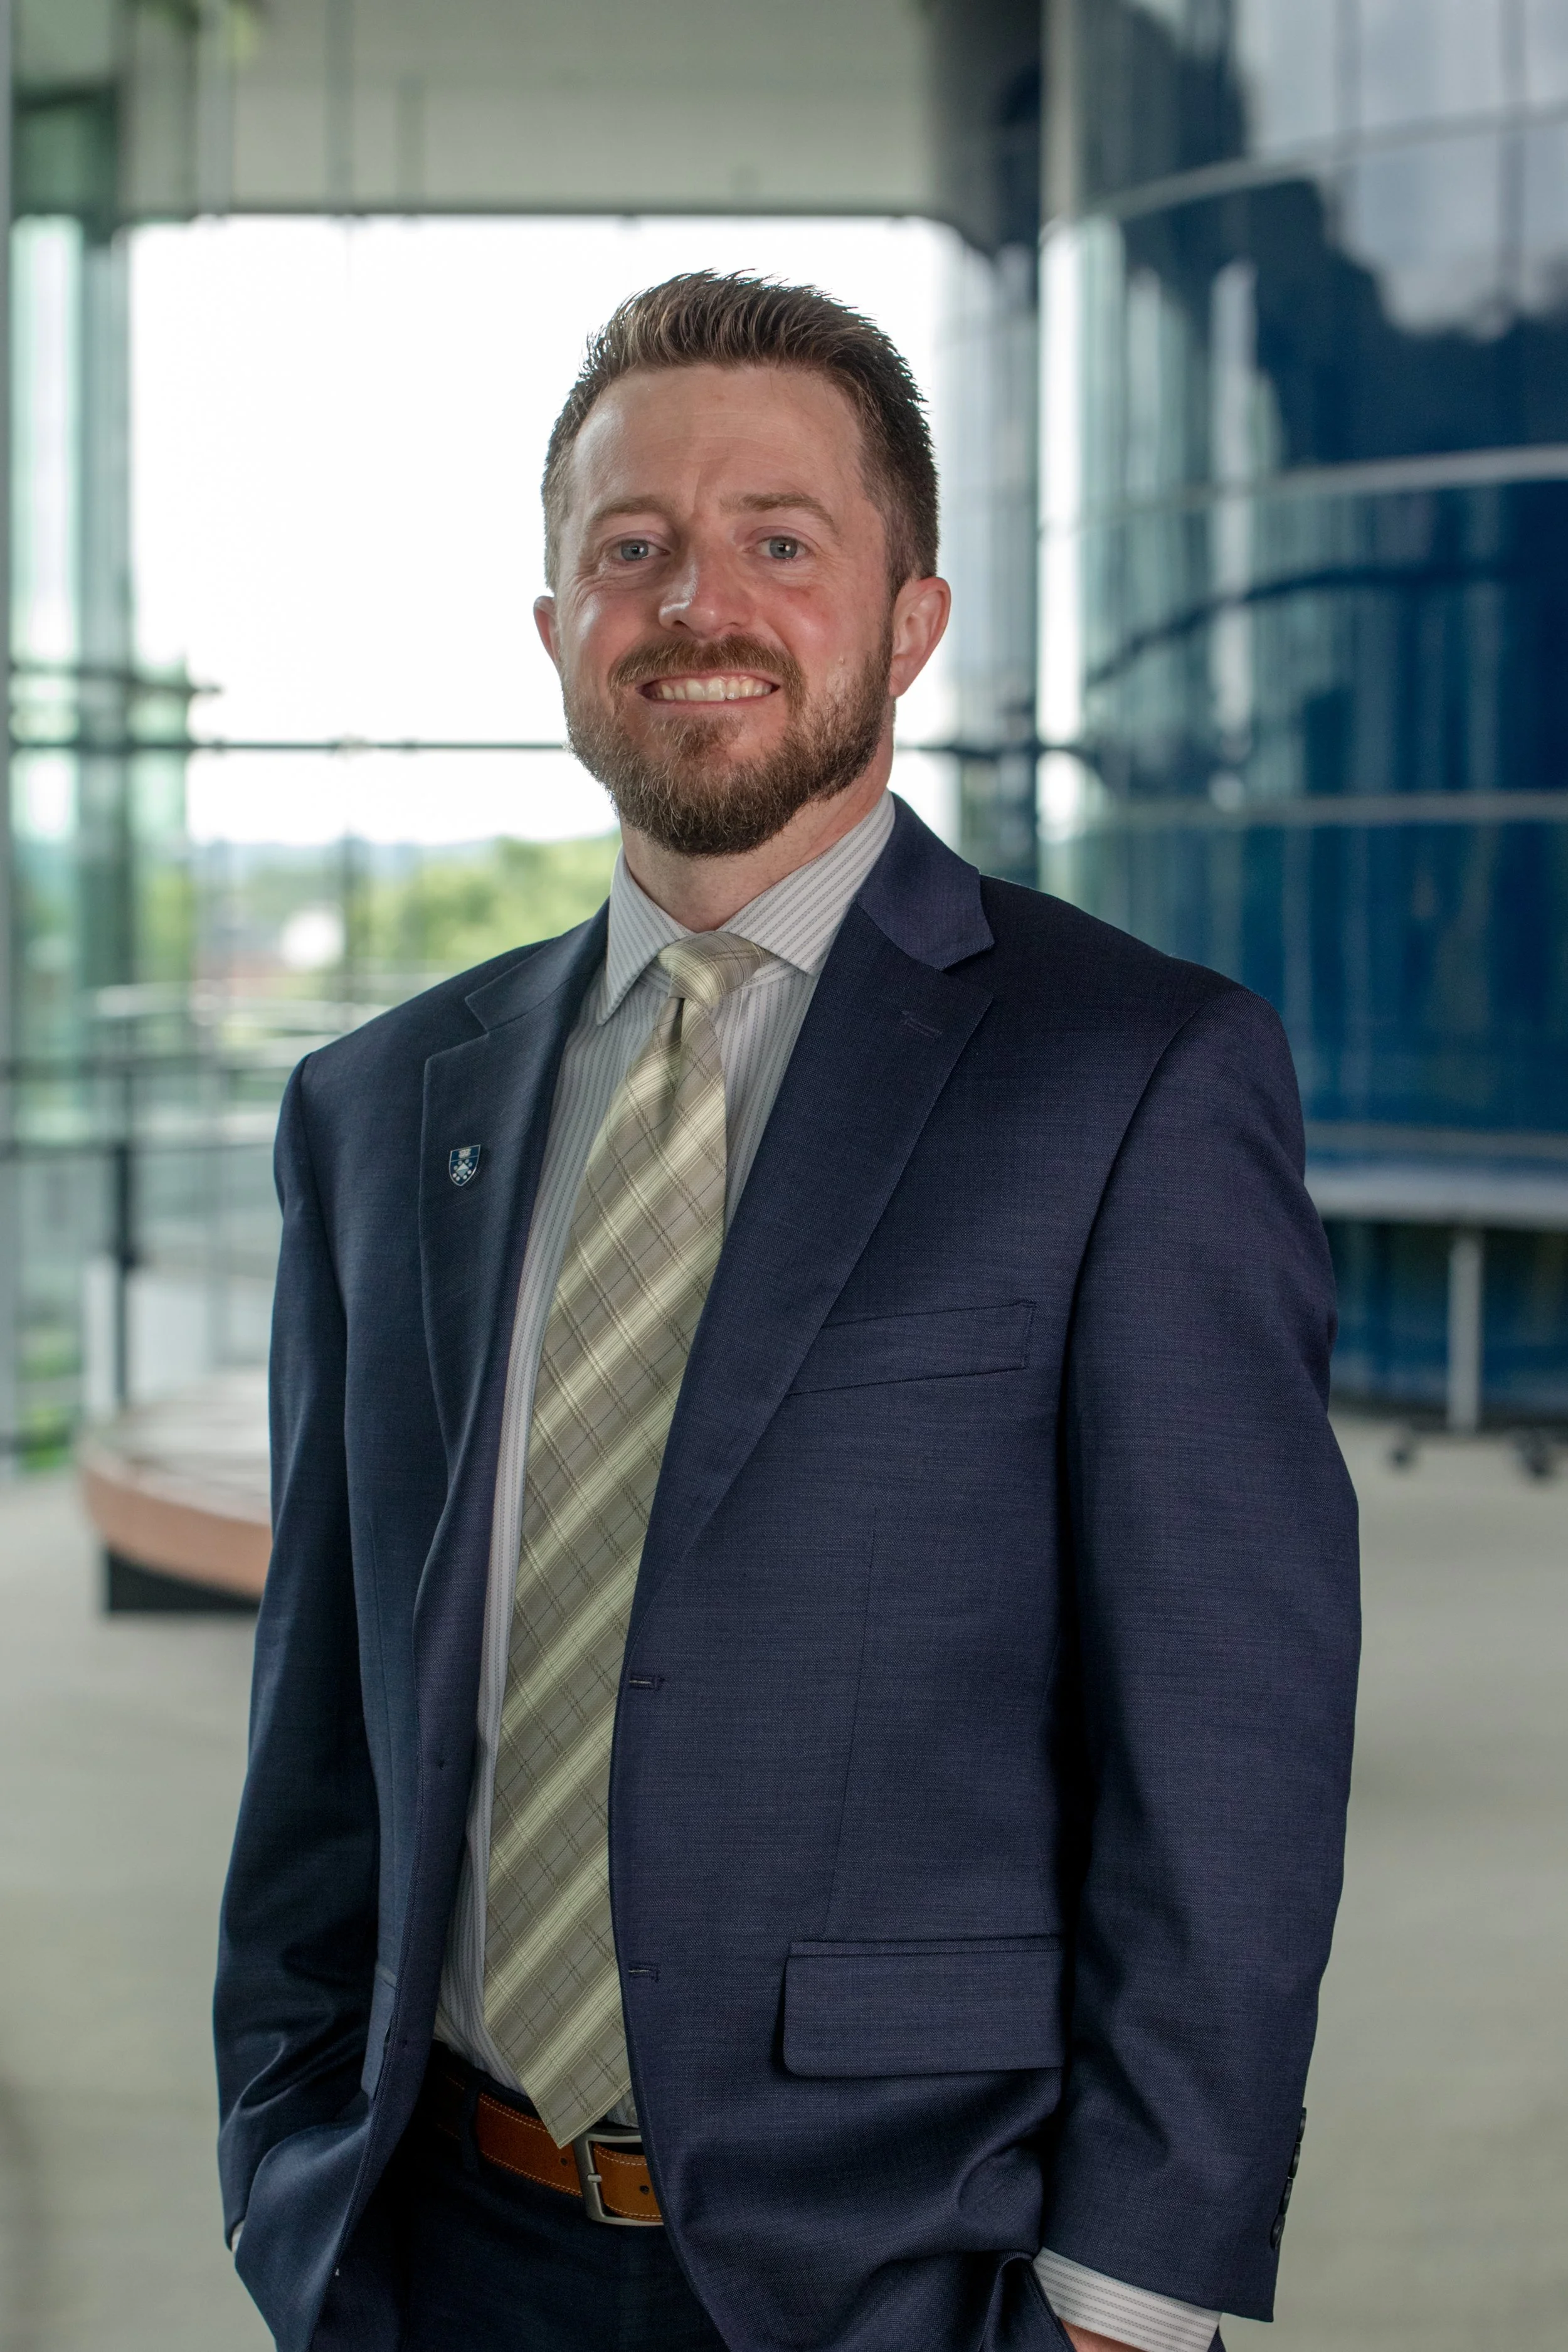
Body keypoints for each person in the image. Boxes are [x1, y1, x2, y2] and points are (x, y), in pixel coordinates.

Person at [215, 272, 1359, 2352]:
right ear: (556, 622)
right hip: (432, 2243)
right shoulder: (377, 1107)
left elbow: (1230, 1748)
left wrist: (1129, 2298)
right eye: (629, 546)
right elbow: (323, 1727)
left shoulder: (1127, 1075)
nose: (695, 601)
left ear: (907, 617)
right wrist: (288, 2154)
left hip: (907, 2270)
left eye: (778, 539)